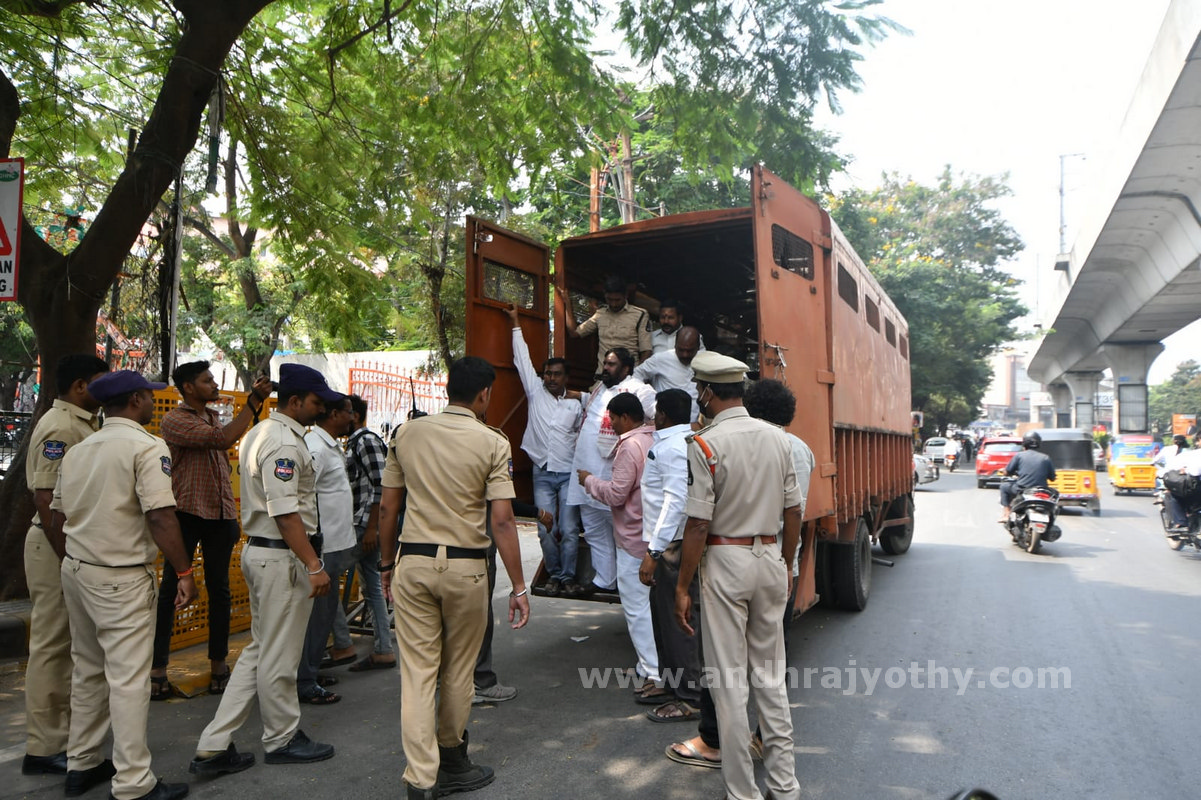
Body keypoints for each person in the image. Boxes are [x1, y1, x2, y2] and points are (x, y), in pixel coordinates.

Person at [375, 356, 530, 800]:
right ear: (484, 395)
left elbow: (388, 508)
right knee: (459, 671)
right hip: (466, 568)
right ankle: (453, 761)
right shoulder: (493, 443)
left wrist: (387, 566)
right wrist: (519, 587)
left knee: (418, 673)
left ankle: (420, 780)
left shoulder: (407, 434)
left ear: (448, 389)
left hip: (414, 563)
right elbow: (502, 522)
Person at [48, 370, 197, 800]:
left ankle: (82, 763)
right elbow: (160, 515)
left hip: (78, 569)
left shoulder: (80, 449)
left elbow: (57, 517)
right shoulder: (147, 447)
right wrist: (185, 572)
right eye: (149, 397)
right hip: (121, 577)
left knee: (89, 669)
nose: (154, 403)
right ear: (135, 400)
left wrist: (75, 560)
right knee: (129, 680)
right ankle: (133, 782)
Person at [190, 364, 341, 778]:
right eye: (316, 402)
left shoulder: (263, 433)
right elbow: (286, 512)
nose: (321, 408)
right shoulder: (281, 443)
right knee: (279, 655)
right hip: (282, 557)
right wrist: (313, 564)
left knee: (260, 651)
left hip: (269, 554)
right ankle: (281, 738)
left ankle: (214, 745)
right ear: (295, 401)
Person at [674, 351, 803, 800]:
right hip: (770, 558)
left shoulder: (705, 444)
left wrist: (682, 585)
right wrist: (784, 565)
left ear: (709, 391)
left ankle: (743, 794)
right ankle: (785, 788)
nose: (698, 396)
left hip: (726, 563)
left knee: (729, 687)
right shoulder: (779, 439)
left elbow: (697, 524)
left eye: (699, 389)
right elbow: (794, 511)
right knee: (770, 679)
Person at [151, 361, 274, 699]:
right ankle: (157, 670)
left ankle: (218, 665)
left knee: (219, 590)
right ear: (188, 388)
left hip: (218, 514)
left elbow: (220, 452)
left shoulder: (211, 416)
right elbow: (222, 441)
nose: (213, 385)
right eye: (206, 381)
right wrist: (252, 403)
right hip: (187, 514)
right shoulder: (176, 420)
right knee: (170, 589)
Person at [20, 354, 108, 778]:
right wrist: (70, 557)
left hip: (71, 543)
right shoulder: (60, 427)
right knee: (52, 648)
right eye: (100, 383)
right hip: (56, 543)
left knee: (72, 648)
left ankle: (64, 738)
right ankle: (44, 746)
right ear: (79, 387)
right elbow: (45, 499)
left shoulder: (86, 424)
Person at [580, 392, 660, 693]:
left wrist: (589, 481)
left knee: (637, 609)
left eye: (612, 418)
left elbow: (616, 494)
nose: (610, 424)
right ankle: (649, 664)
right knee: (654, 608)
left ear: (626, 418)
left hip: (633, 540)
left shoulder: (630, 446)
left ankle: (654, 673)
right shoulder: (655, 438)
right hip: (655, 537)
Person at [507, 303, 585, 596]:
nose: (550, 378)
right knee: (545, 528)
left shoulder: (577, 403)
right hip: (542, 473)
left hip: (568, 475)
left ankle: (567, 577)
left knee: (567, 529)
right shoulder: (535, 392)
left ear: (566, 378)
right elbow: (521, 359)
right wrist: (515, 321)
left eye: (556, 374)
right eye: (547, 373)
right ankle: (553, 575)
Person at [567, 348, 656, 594]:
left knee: (621, 532)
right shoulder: (599, 389)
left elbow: (658, 416)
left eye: (612, 364)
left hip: (612, 478)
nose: (606, 368)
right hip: (585, 474)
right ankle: (604, 580)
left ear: (627, 368)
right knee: (594, 531)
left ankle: (630, 583)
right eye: (605, 363)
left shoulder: (640, 389)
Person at [636, 388, 700, 722]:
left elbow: (675, 502)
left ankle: (688, 696)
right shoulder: (679, 441)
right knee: (664, 618)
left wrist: (655, 551)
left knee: (677, 621)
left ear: (662, 414)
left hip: (671, 545)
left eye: (656, 410)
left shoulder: (674, 447)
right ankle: (672, 684)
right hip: (670, 544)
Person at [295, 395, 357, 704]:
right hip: (324, 547)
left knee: (325, 612)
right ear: (332, 414)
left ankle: (311, 670)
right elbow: (302, 495)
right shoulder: (316, 447)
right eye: (347, 412)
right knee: (318, 615)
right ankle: (304, 680)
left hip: (336, 544)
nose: (352, 417)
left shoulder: (328, 444)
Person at [338, 394, 396, 672]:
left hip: (363, 526)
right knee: (373, 587)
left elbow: (382, 486)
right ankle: (383, 649)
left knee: (322, 579)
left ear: (355, 415)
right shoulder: (354, 443)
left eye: (347, 413)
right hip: (361, 524)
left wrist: (373, 527)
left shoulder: (365, 441)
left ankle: (342, 643)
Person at [556, 275, 653, 373]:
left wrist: (636, 375)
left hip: (628, 378)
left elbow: (646, 351)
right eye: (609, 300)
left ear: (626, 295)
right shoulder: (600, 314)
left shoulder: (640, 315)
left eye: (617, 300)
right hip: (603, 377)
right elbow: (574, 333)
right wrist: (567, 303)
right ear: (605, 295)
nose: (613, 304)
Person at [634, 326, 702, 422]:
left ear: (698, 347)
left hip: (694, 426)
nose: (685, 355)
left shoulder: (704, 362)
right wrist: (649, 399)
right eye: (681, 350)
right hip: (665, 424)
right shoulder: (660, 359)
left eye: (689, 351)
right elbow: (636, 376)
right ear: (675, 345)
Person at [998, 431, 1057, 522]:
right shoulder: (1046, 458)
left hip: (1022, 489)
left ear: (1024, 443)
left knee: (1004, 487)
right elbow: (1052, 478)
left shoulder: (1019, 456)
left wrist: (1004, 471)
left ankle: (1006, 514)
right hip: (1041, 490)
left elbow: (1008, 471)